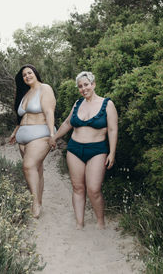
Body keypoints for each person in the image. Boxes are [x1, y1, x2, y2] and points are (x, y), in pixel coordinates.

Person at [49, 71, 118, 229]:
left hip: (97, 150)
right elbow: (67, 123)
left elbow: (113, 130)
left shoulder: (107, 104)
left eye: (86, 84)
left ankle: (100, 222)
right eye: (80, 86)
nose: (83, 88)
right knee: (78, 188)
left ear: (93, 84)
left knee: (94, 189)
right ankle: (79, 223)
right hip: (74, 149)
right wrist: (54, 137)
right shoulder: (77, 103)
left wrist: (112, 152)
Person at [9, 64, 56, 218]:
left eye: (29, 73)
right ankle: (39, 202)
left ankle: (34, 204)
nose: (27, 76)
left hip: (40, 134)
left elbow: (49, 112)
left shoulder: (45, 88)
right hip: (22, 137)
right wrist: (15, 132)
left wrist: (52, 134)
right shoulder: (25, 93)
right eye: (24, 75)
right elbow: (22, 116)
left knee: (28, 167)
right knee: (36, 169)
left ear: (35, 73)